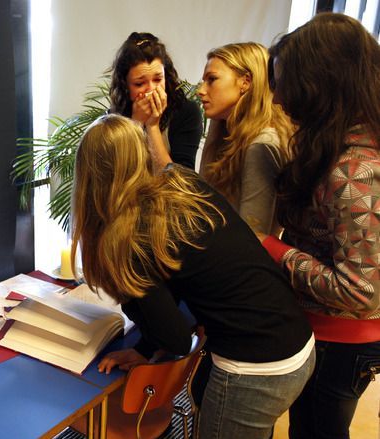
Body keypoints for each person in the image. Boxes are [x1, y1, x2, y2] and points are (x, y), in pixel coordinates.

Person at [72, 114, 314, 438]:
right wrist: (144, 348)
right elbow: (180, 285)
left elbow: (175, 338)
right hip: (295, 341)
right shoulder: (182, 184)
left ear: (88, 178)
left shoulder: (132, 238)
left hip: (255, 368)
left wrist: (139, 314)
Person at [260, 12, 380, 439]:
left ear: (320, 84)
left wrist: (273, 250)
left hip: (342, 344)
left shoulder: (354, 170)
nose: (277, 100)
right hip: (329, 337)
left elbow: (360, 291)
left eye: (286, 84)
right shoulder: (341, 148)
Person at [198, 42, 293, 235]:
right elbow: (203, 202)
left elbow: (254, 236)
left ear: (245, 82)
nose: (201, 90)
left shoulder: (262, 144)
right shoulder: (228, 133)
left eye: (212, 79)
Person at [109, 32, 202, 171]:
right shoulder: (113, 118)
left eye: (158, 80)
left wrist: (152, 127)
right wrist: (137, 124)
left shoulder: (186, 111)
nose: (151, 90)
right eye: (140, 84)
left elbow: (182, 184)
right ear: (125, 86)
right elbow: (116, 178)